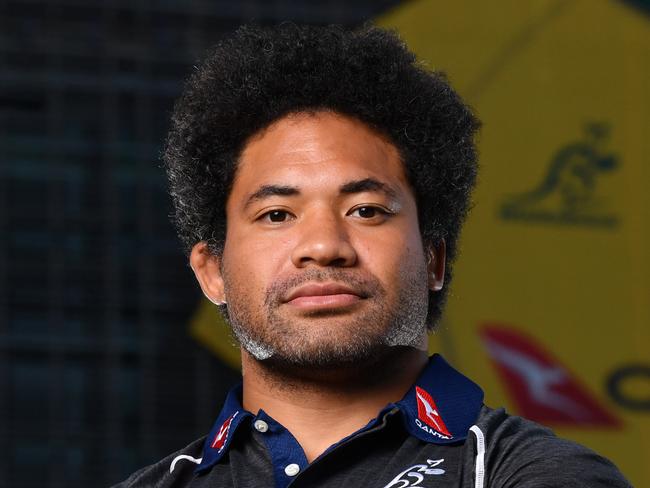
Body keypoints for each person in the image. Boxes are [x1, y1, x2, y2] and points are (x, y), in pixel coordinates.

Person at [114, 23, 630, 488]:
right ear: (211, 272)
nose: (324, 247)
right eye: (276, 215)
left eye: (366, 210)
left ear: (433, 259)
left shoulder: (527, 473)